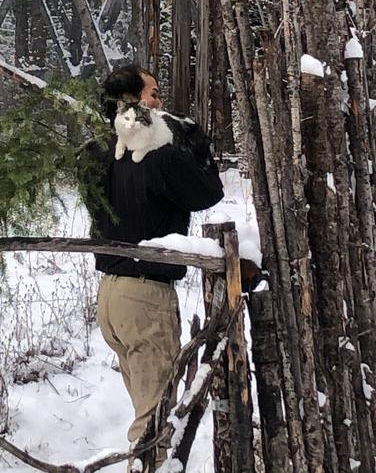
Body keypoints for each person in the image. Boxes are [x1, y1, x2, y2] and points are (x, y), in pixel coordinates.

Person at [90, 64, 224, 462]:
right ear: (131, 100)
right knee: (154, 424)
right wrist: (197, 147)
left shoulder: (100, 152)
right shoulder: (159, 155)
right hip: (145, 294)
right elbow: (207, 193)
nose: (159, 101)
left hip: (111, 296)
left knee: (146, 409)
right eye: (152, 93)